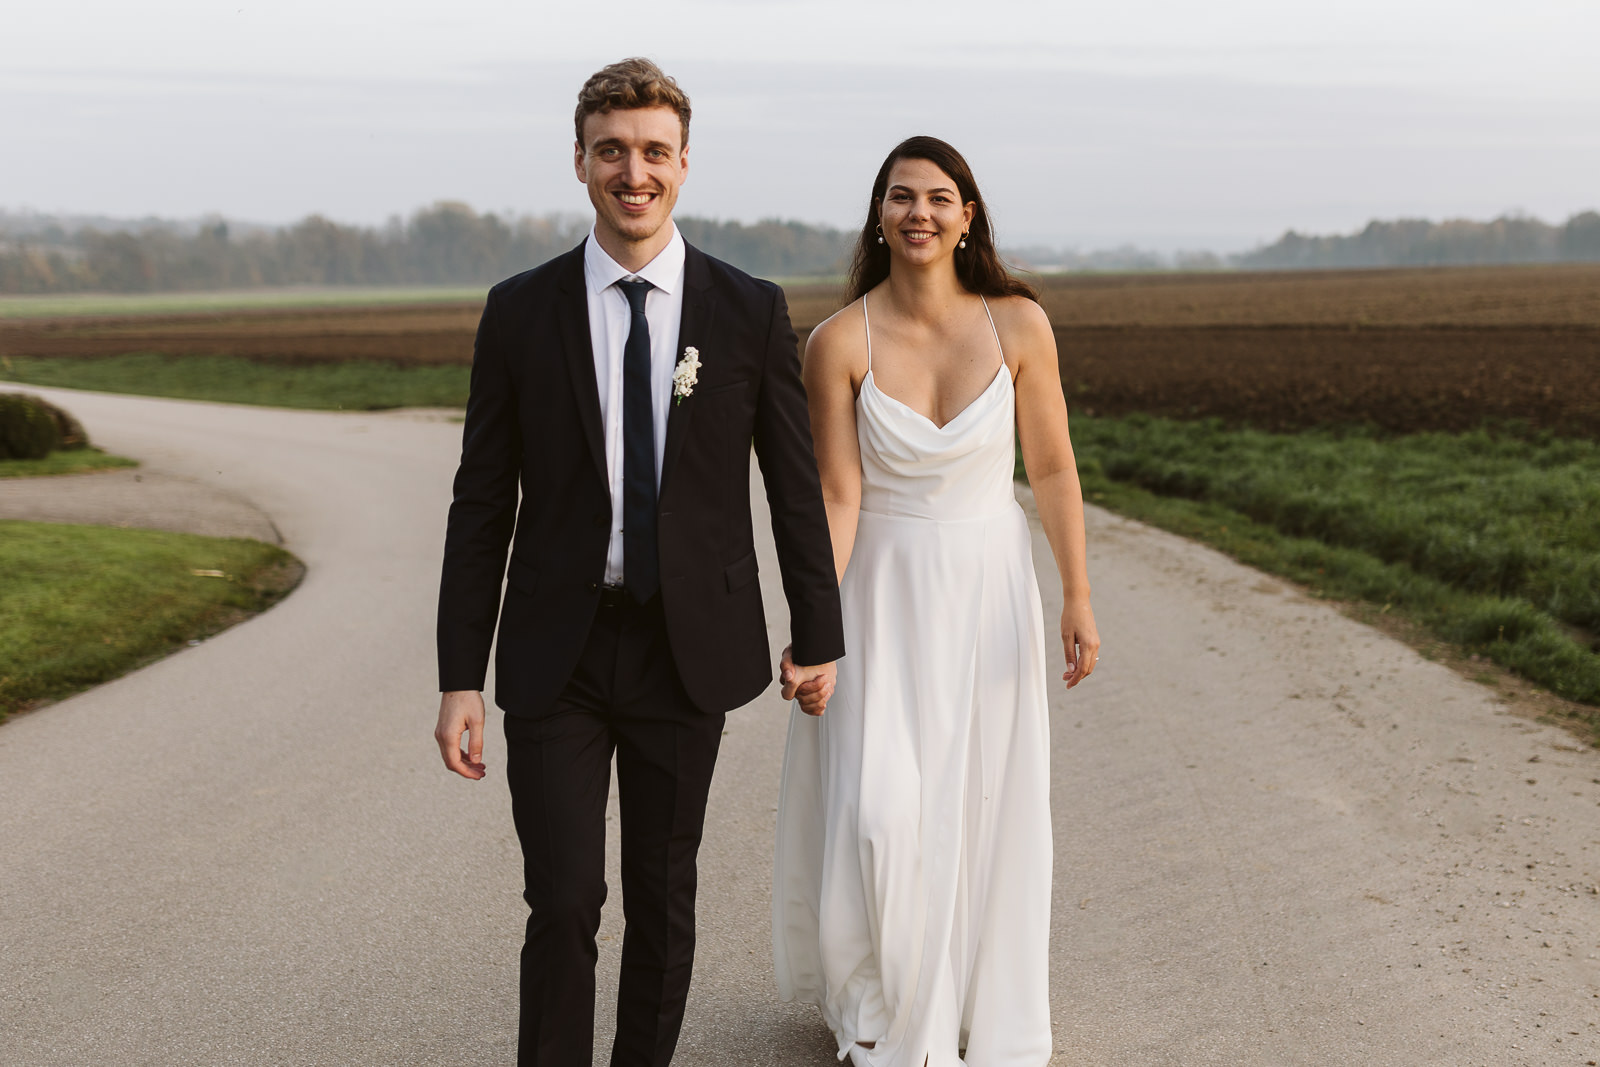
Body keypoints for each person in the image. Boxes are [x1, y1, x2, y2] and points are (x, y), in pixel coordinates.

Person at [433, 58, 844, 1067]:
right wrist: (458, 675)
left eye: (653, 151)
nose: (634, 171)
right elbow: (482, 502)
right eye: (611, 150)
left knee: (665, 897)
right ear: (579, 162)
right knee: (565, 894)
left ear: (683, 165)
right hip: (554, 653)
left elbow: (793, 487)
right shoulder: (520, 310)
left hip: (685, 646)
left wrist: (819, 633)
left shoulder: (745, 308)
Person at [771, 136, 1100, 1067]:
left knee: (982, 799)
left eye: (939, 198)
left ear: (967, 218)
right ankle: (877, 1000)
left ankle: (968, 1001)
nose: (920, 212)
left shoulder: (1019, 326)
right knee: (880, 807)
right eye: (901, 196)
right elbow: (838, 496)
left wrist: (1077, 593)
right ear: (879, 214)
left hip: (990, 590)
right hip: (880, 593)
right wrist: (814, 627)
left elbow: (1054, 468)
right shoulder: (838, 342)